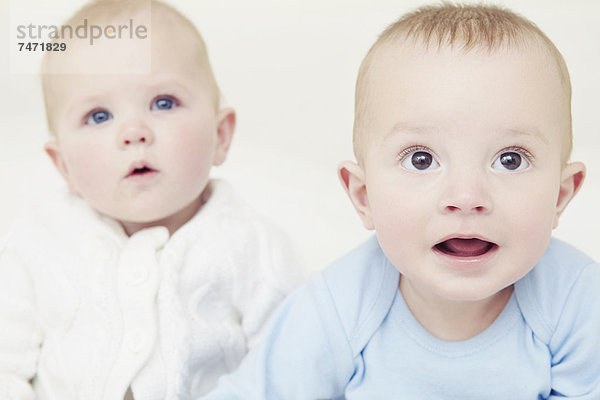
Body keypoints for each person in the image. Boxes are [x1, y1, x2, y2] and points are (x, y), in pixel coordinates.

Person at [199, 3, 600, 399]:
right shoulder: (335, 309)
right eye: (421, 160)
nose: (466, 197)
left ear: (561, 195)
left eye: (510, 160)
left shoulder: (576, 303)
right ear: (363, 196)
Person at [0, 1, 301, 399]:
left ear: (220, 136)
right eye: (99, 116)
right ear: (64, 166)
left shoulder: (256, 248)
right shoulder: (34, 243)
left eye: (164, 103)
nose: (134, 131)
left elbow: (291, 369)